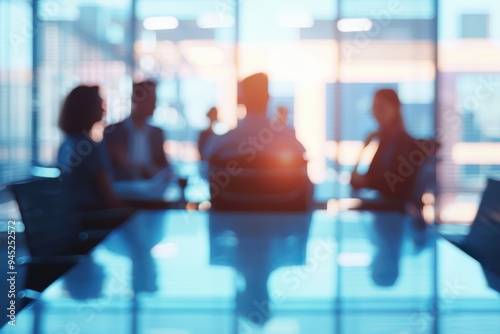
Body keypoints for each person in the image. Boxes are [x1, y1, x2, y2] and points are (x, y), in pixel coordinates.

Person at [205, 73, 312, 211]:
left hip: (231, 219)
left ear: (242, 99)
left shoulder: (221, 142)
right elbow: (303, 174)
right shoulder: (288, 138)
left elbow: (206, 176)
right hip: (283, 220)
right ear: (268, 98)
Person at [57, 85, 121, 211]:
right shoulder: (90, 147)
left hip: (74, 217)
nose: (104, 109)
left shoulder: (66, 144)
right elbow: (109, 199)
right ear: (87, 108)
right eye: (99, 103)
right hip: (94, 218)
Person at [104, 80, 170, 181]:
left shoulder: (157, 133)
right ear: (136, 100)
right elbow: (116, 165)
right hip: (122, 190)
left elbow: (164, 167)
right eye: (151, 101)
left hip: (152, 191)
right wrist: (146, 169)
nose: (154, 106)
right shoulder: (113, 131)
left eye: (155, 101)